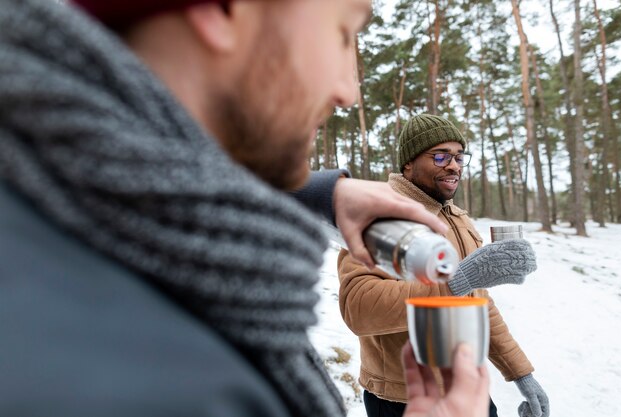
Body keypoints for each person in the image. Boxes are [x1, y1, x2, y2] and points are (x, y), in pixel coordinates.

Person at [0, 1, 488, 417]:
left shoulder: (69, 221)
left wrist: (322, 195)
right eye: (341, 33)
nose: (347, 90)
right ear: (225, 9)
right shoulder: (159, 381)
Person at [338, 114, 550, 417]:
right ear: (409, 163)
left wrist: (520, 373)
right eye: (440, 156)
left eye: (459, 157)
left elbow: (479, 301)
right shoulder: (377, 215)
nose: (454, 165)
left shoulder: (459, 219)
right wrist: (453, 282)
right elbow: (358, 307)